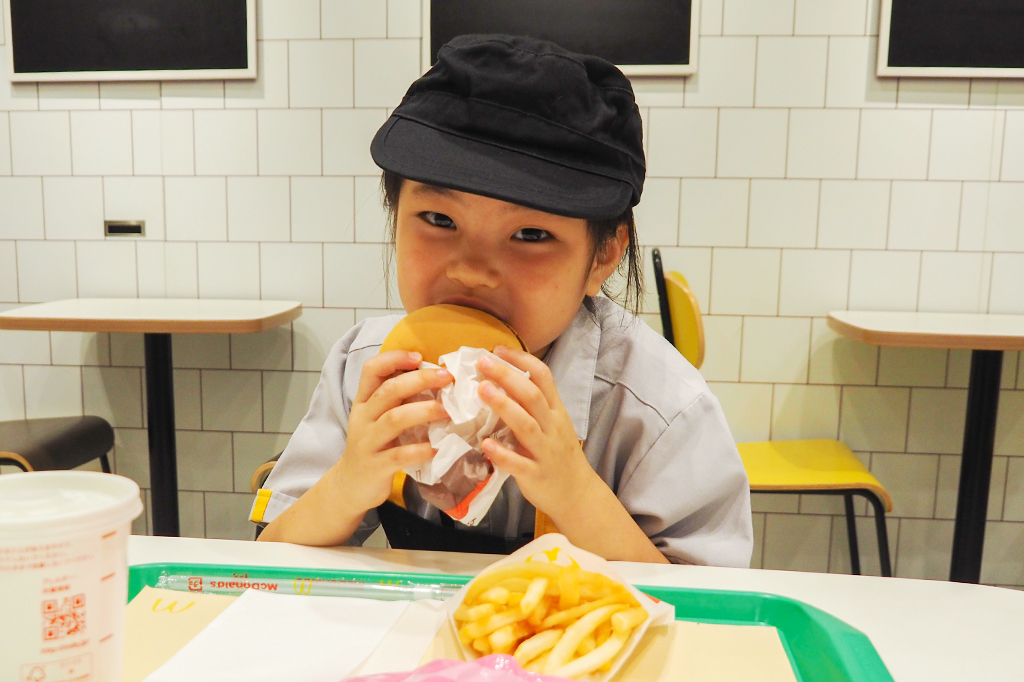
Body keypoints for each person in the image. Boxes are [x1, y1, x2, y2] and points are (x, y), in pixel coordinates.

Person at [252, 34, 752, 566]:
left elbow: (706, 613)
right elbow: (268, 562)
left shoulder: (659, 410)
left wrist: (574, 493)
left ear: (603, 257)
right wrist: (350, 482)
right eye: (439, 220)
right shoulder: (367, 368)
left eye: (531, 235)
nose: (471, 271)